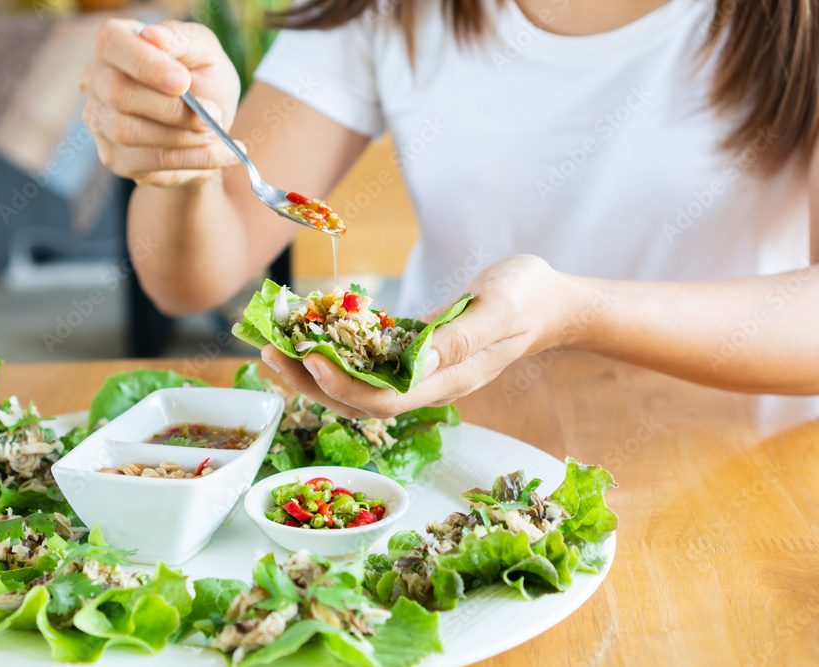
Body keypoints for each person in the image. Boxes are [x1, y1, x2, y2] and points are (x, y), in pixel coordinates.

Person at [79, 0, 818, 419]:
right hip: (446, 477)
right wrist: (183, 157)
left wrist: (575, 311)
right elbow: (191, 276)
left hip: (736, 477)